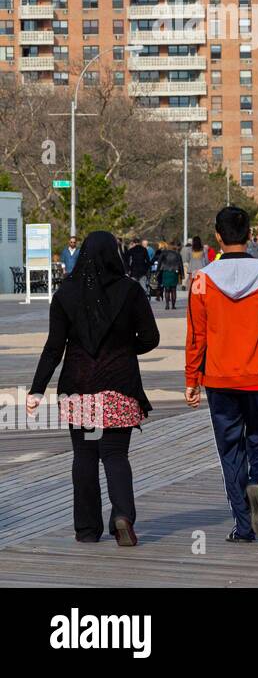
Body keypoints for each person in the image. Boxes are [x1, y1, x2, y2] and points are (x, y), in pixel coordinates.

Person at [26, 231, 159, 546]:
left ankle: (86, 529)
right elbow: (151, 338)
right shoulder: (130, 291)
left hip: (79, 387)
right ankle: (122, 516)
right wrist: (125, 348)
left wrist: (36, 390)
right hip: (119, 386)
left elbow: (53, 348)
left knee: (84, 456)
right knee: (115, 455)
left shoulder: (66, 294)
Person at [185, 206, 258, 543]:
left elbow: (196, 336)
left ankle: (244, 525)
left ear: (218, 237)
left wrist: (192, 380)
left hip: (218, 380)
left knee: (230, 451)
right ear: (250, 234)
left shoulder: (202, 280)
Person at [154, 240, 184, 311]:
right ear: (174, 246)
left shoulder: (164, 253)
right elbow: (181, 265)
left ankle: (167, 305)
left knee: (166, 290)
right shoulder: (177, 254)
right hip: (174, 272)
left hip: (166, 272)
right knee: (173, 290)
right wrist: (182, 274)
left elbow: (159, 263)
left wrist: (157, 272)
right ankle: (173, 306)